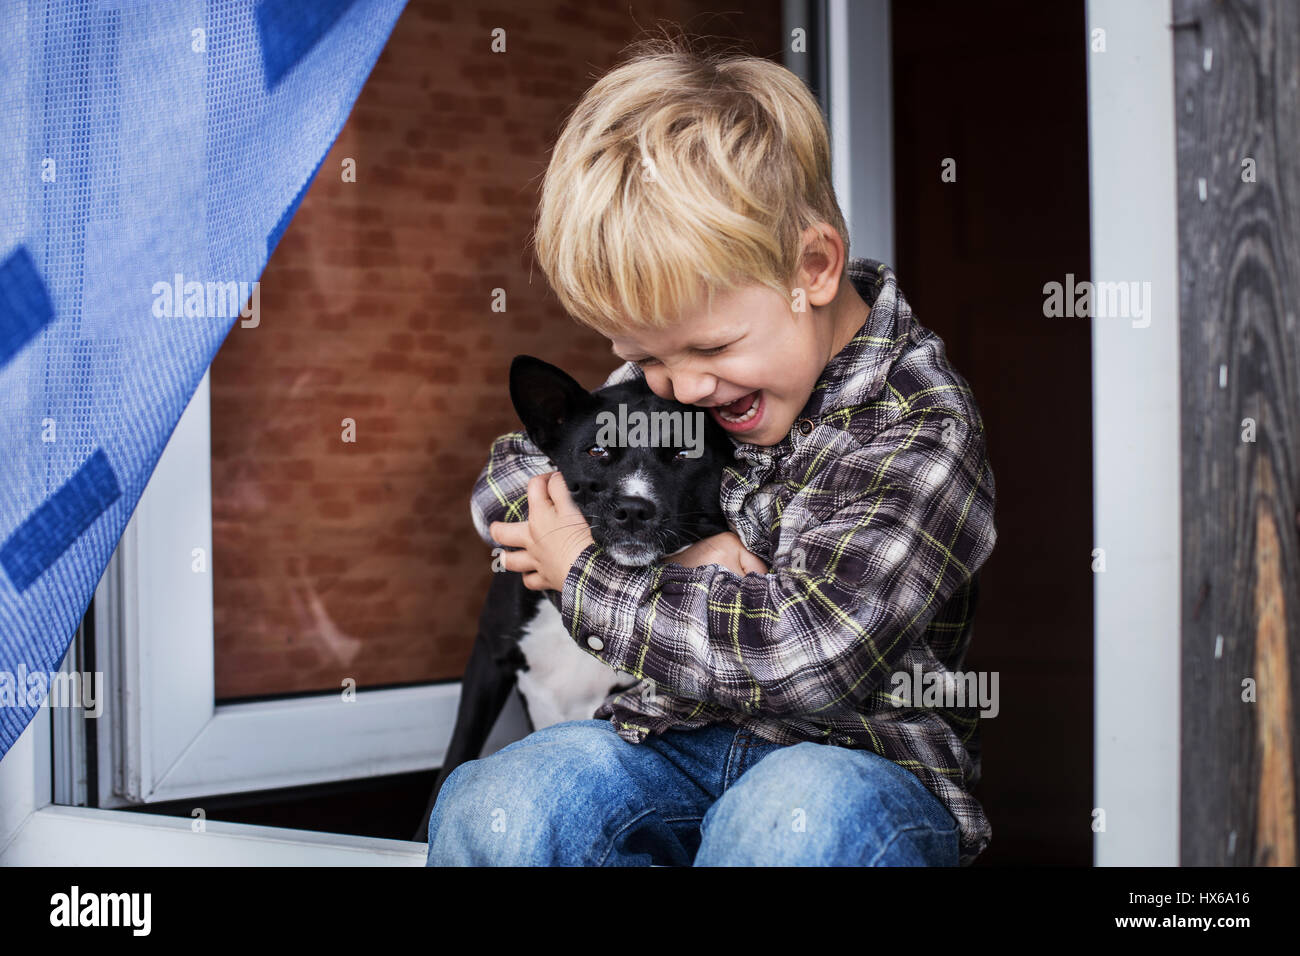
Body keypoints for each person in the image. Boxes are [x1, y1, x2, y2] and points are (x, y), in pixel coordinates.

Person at [426, 31, 998, 866]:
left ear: (813, 268)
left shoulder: (917, 426)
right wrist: (681, 552)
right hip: (671, 738)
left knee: (793, 815)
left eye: (709, 350)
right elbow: (514, 472)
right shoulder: (697, 373)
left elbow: (806, 656)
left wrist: (587, 573)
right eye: (649, 358)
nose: (681, 388)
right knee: (503, 802)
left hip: (859, 762)